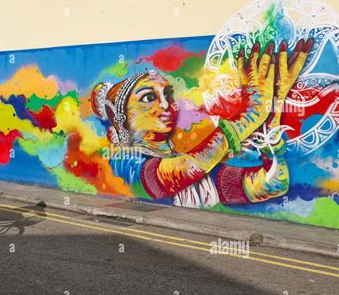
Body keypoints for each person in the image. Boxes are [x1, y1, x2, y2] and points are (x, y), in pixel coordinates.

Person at [91, 39, 313, 208]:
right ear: (122, 117)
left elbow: (272, 184)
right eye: (149, 98)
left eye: (168, 95)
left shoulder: (194, 162)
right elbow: (182, 172)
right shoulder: (121, 163)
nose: (166, 105)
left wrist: (272, 110)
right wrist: (252, 112)